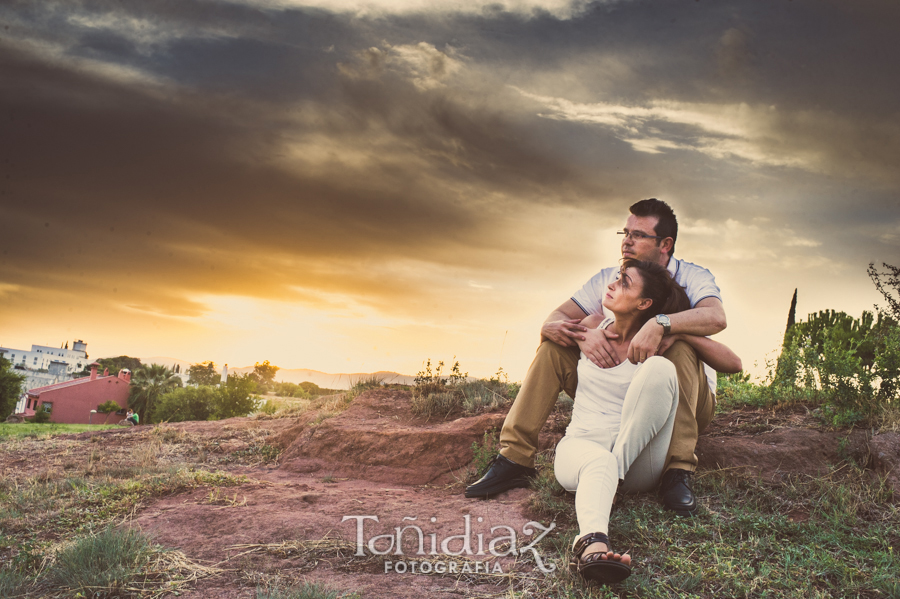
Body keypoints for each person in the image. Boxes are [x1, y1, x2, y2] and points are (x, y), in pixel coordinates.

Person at [466, 199, 727, 516]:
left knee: (679, 349)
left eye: (638, 235)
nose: (626, 241)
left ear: (665, 244)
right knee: (554, 346)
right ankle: (514, 458)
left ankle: (678, 470)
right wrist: (583, 334)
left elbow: (715, 317)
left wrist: (663, 324)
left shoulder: (693, 277)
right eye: (625, 232)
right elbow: (556, 318)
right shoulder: (610, 279)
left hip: (681, 397)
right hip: (617, 390)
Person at [555, 259, 741, 584]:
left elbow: (734, 363)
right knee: (599, 462)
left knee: (661, 370)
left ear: (644, 304)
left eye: (624, 282)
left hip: (635, 462)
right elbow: (552, 326)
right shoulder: (593, 322)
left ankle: (615, 476)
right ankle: (591, 545)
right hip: (582, 448)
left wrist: (670, 327)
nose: (612, 285)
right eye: (616, 278)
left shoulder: (658, 343)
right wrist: (583, 335)